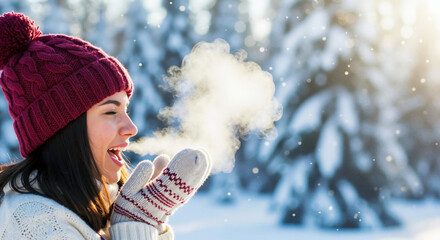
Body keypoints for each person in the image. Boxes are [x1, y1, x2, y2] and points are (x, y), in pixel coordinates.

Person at [0, 12, 211, 240]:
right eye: (111, 111)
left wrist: (145, 222)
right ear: (63, 128)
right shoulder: (39, 224)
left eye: (126, 110)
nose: (131, 128)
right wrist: (135, 227)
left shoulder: (88, 209)